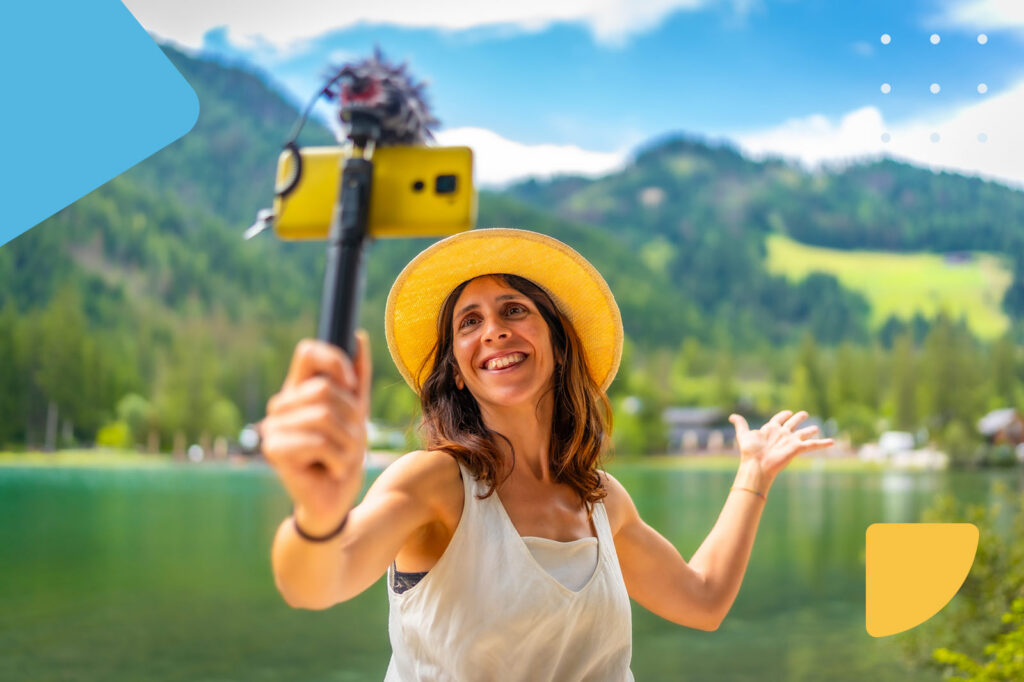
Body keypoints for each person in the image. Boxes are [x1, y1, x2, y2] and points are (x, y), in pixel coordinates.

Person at [263, 228, 834, 681]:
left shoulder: (602, 500)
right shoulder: (432, 483)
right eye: (470, 321)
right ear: (457, 373)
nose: (493, 331)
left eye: (514, 310)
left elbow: (703, 600)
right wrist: (317, 515)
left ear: (559, 347)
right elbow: (315, 584)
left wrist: (753, 474)